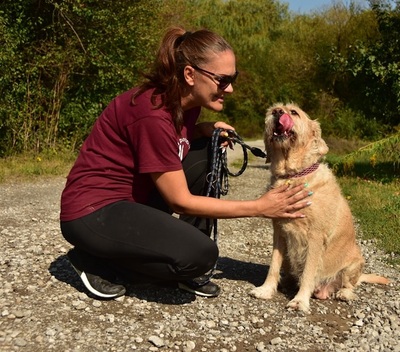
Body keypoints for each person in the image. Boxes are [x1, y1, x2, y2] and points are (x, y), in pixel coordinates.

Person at [60, 26, 313, 299]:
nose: (230, 88)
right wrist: (260, 207)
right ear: (190, 75)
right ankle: (93, 258)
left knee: (208, 149)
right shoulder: (152, 113)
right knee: (198, 256)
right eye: (222, 79)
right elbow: (179, 200)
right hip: (92, 212)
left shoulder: (185, 105)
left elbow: (167, 138)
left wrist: (202, 130)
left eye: (233, 78)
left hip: (131, 201)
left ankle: (171, 257)